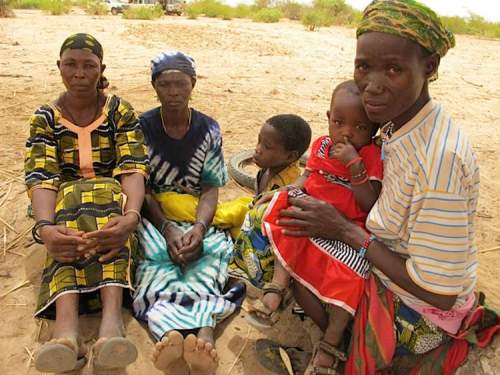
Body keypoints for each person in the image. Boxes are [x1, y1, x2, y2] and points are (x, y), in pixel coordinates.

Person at [275, 1, 498, 374]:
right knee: (282, 214)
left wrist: (343, 230)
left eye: (393, 69)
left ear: (429, 68)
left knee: (273, 238)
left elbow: (439, 295)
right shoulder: (400, 122)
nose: (372, 87)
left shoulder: (439, 161)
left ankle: (337, 344)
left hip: (415, 306)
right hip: (385, 254)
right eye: (364, 67)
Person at [25, 33, 149, 373]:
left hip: (114, 206)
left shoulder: (118, 111)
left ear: (101, 69)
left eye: (88, 66)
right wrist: (46, 229)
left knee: (104, 190)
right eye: (71, 65)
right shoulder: (45, 118)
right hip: (61, 207)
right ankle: (68, 332)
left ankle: (107, 324)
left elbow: (132, 168)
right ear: (59, 68)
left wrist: (132, 216)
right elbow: (41, 177)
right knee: (71, 199)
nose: (79, 73)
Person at [132, 51, 244, 375]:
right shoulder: (142, 127)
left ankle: (202, 334)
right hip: (157, 214)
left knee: (208, 254)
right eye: (164, 84)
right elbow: (142, 188)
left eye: (180, 83)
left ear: (193, 84)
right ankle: (169, 336)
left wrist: (199, 227)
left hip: (195, 214)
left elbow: (210, 187)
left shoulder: (208, 128)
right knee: (156, 257)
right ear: (154, 87)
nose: (173, 92)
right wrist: (167, 229)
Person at [249, 81, 382, 350]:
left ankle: (332, 339)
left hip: (346, 226)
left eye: (360, 127)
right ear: (328, 118)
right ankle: (277, 285)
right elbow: (306, 177)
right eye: (339, 122)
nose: (347, 133)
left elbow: (369, 203)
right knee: (285, 208)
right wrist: (282, 191)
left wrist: (354, 165)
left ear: (374, 129)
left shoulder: (371, 155)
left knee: (354, 276)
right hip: (310, 214)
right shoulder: (322, 145)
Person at [229, 114, 312, 289]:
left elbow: (282, 233)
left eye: (266, 147)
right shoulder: (265, 170)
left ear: (290, 157)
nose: (258, 149)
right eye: (259, 141)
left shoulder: (289, 184)